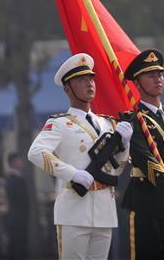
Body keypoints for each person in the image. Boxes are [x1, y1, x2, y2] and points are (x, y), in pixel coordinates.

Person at [27, 52, 132, 260]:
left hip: (103, 208)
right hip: (74, 209)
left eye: (91, 79)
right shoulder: (59, 123)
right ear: (68, 89)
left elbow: (117, 168)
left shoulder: (107, 124)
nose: (89, 84)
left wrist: (124, 145)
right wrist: (73, 174)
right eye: (81, 80)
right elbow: (36, 153)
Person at [120, 49, 164, 260]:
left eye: (159, 74)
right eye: (150, 76)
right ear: (138, 84)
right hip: (147, 199)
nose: (157, 79)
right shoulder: (132, 118)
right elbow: (142, 154)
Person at [4, 153, 28, 260]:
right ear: (13, 162)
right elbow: (20, 199)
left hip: (17, 216)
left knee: (17, 244)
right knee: (18, 245)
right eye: (19, 160)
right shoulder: (13, 179)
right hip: (18, 217)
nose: (21, 163)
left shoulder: (15, 178)